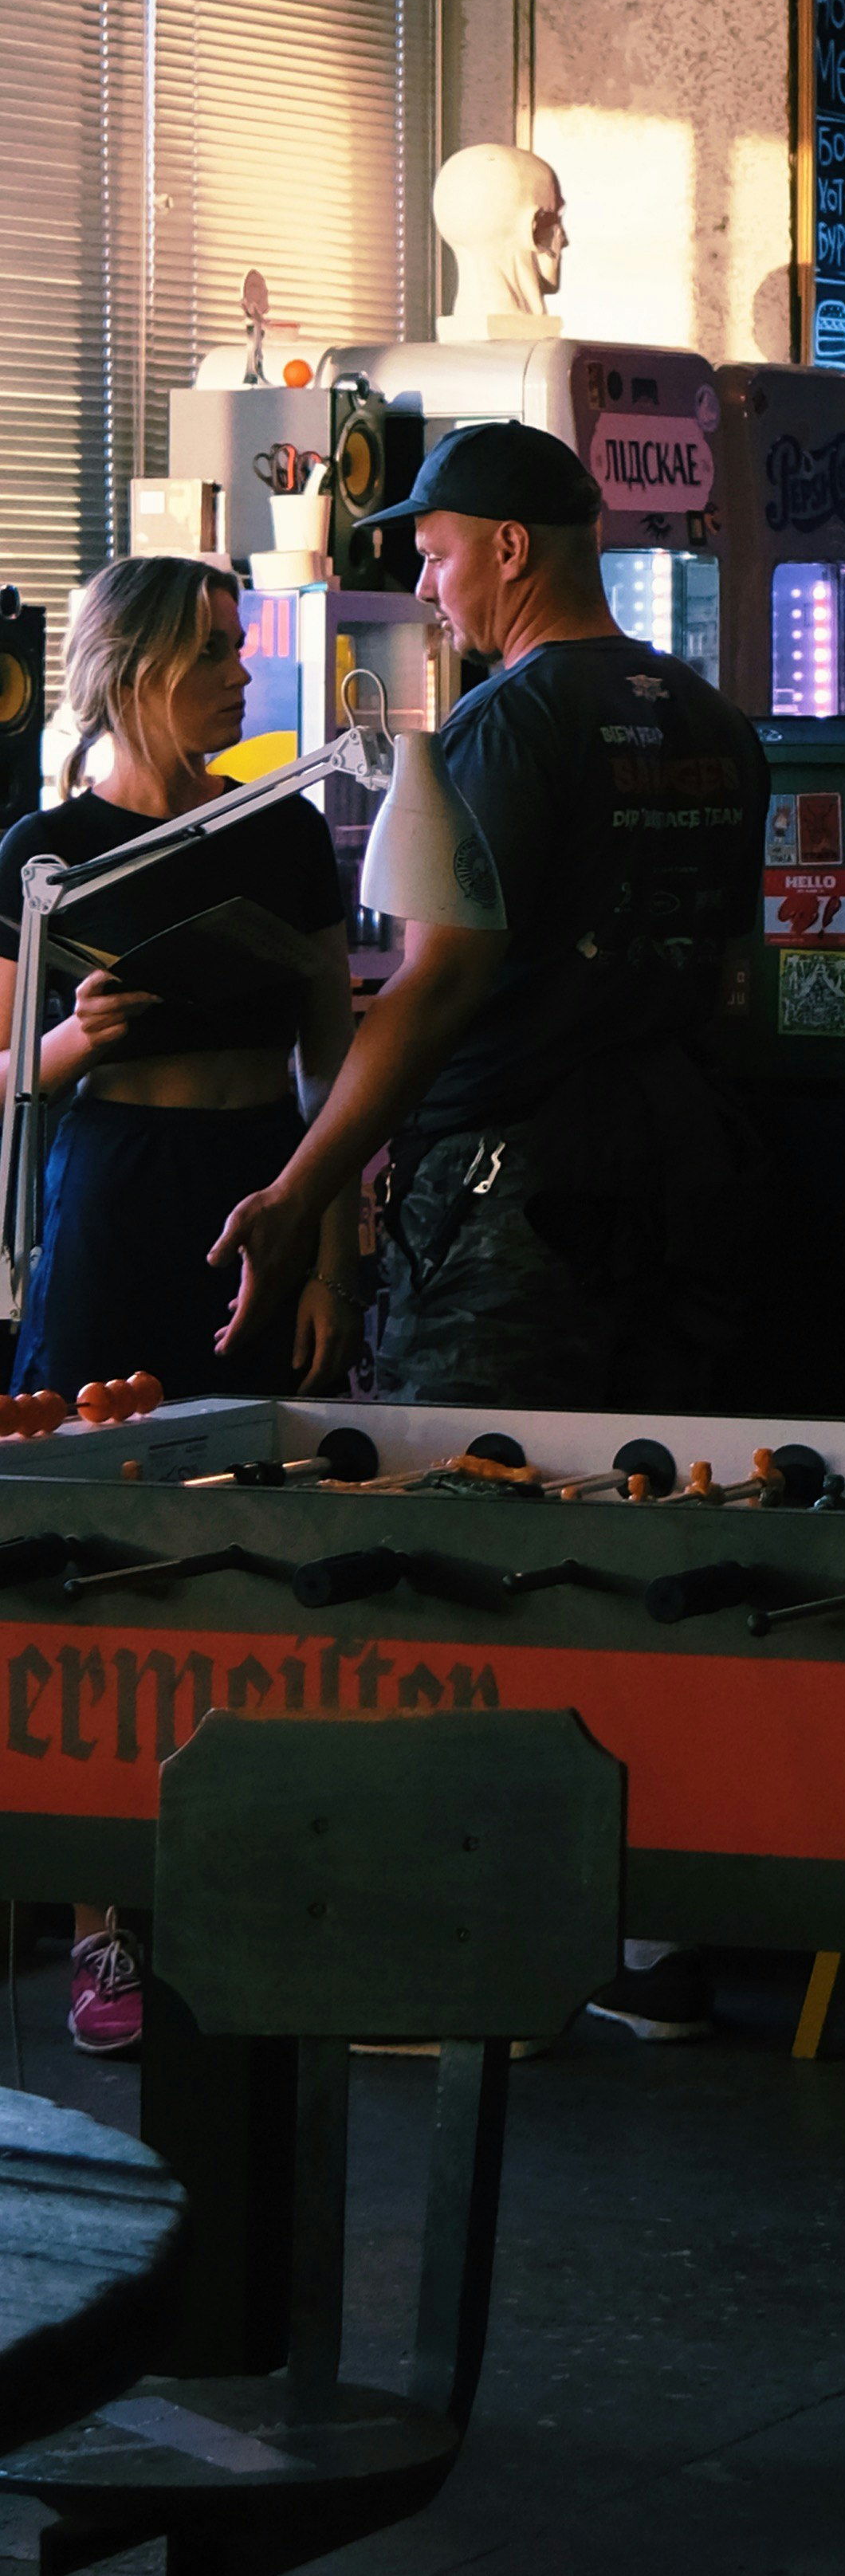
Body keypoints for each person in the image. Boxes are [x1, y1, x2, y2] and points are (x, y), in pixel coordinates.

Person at [206, 423, 767, 2049]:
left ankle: (474, 1951)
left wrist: (308, 1181)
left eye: (436, 548)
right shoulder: (714, 723)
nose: (423, 581)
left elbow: (441, 978)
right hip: (694, 1155)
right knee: (663, 1533)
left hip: (522, 1180)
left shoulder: (513, 724)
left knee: (476, 1537)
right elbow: (730, 969)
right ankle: (652, 1942)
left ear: (513, 547)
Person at [0, 560, 359, 2061]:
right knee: (91, 1540)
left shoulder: (277, 831)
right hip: (114, 1182)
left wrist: (329, 1247)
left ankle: (246, 1877)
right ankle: (103, 1925)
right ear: (137, 666)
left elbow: (334, 1055)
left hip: (252, 1178)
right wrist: (71, 1036)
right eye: (214, 652)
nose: (243, 676)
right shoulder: (47, 850)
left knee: (253, 1526)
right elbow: (8, 1071)